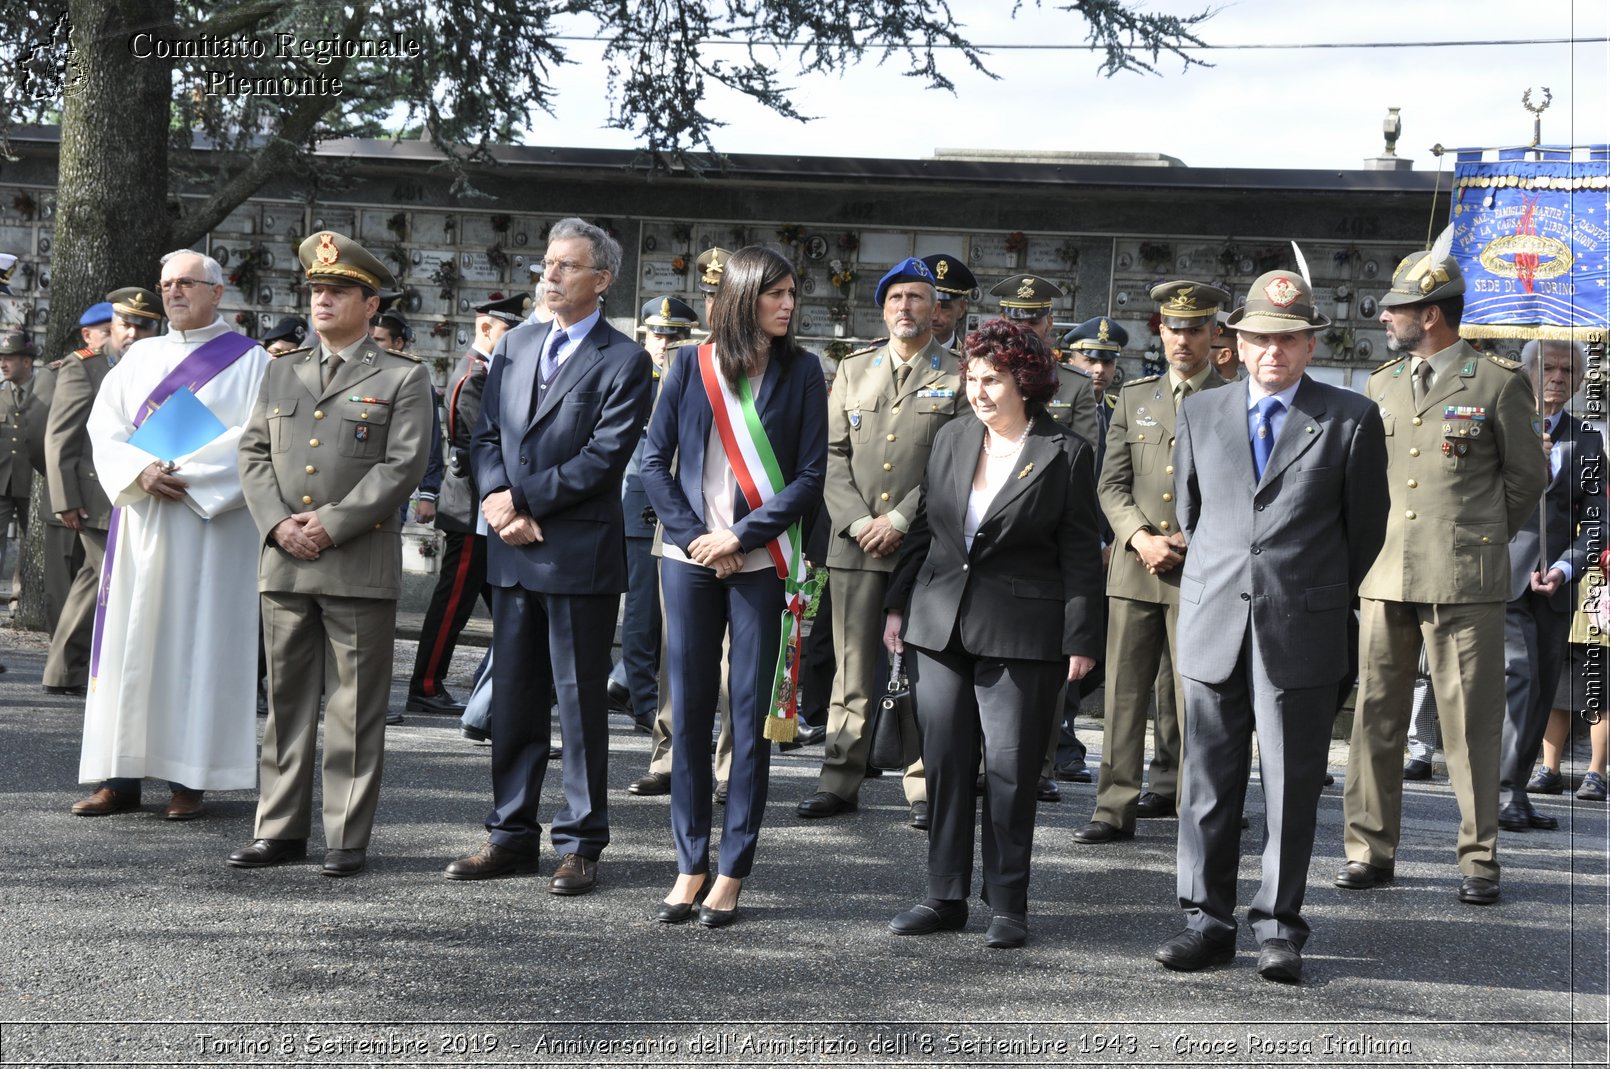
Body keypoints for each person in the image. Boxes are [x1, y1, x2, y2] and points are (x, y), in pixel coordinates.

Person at [1155, 269, 1388, 983]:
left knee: (1290, 785)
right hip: (1213, 616)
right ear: (1238, 342)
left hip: (1302, 623)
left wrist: (1307, 590)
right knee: (1207, 782)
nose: (1272, 353)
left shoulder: (1349, 417)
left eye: (1287, 340)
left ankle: (1280, 926)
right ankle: (1206, 921)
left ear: (1309, 343)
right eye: (1258, 338)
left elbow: (1365, 530)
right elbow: (1194, 516)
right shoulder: (1202, 412)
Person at [445, 217, 652, 894]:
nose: (551, 274)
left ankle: (581, 840)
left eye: (567, 265)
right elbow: (484, 437)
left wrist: (521, 502)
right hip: (511, 547)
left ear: (602, 279)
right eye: (548, 263)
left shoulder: (625, 360)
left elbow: (603, 457)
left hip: (575, 554)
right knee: (514, 698)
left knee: (577, 701)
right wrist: (498, 500)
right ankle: (509, 834)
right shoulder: (516, 344)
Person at [884, 318, 1103, 949]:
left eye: (993, 379)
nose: (979, 392)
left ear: (1025, 381)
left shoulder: (1064, 452)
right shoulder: (952, 437)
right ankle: (943, 895)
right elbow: (926, 528)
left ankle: (1008, 903)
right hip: (938, 623)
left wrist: (1081, 637)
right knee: (947, 764)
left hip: (1023, 632)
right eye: (972, 378)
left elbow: (1081, 552)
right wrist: (898, 607)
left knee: (1009, 769)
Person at [1339, 247, 1546, 905]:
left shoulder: (1497, 381)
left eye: (1398, 308)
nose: (1387, 317)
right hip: (1385, 573)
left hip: (1464, 577)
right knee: (1375, 716)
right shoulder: (1382, 382)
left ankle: (1479, 859)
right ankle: (1369, 849)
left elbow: (1526, 479)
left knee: (1469, 724)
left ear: (1429, 314)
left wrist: (1477, 538)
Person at [229, 232, 434, 876]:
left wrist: (331, 524)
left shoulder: (404, 376)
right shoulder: (281, 368)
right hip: (285, 559)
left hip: (355, 563)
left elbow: (403, 466)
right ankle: (278, 829)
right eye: (317, 290)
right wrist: (276, 524)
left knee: (351, 707)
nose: (322, 300)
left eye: (338, 291)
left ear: (370, 305)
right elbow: (253, 454)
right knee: (285, 702)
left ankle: (345, 837)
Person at [641, 245, 826, 927]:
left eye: (792, 294)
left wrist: (738, 537)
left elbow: (809, 476)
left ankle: (731, 869)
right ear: (746, 295)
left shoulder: (804, 370)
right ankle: (690, 861)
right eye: (776, 293)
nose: (787, 305)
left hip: (760, 561)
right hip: (687, 559)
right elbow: (654, 461)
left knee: (748, 719)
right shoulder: (690, 364)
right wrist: (696, 536)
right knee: (687, 711)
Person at [72, 250, 270, 820]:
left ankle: (191, 778)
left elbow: (254, 439)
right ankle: (120, 776)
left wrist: (184, 474)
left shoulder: (252, 361)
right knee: (131, 642)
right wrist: (141, 471)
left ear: (217, 291)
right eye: (167, 284)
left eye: (187, 282)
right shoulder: (136, 359)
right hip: (141, 519)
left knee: (198, 644)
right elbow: (103, 429)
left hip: (208, 523)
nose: (175, 292)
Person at [801, 257, 959, 828]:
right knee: (851, 670)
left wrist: (897, 520)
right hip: (854, 544)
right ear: (883, 308)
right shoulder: (853, 369)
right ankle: (839, 779)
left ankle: (922, 786)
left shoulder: (960, 375)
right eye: (896, 299)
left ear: (935, 308)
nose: (906, 309)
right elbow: (832, 455)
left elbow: (956, 463)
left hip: (927, 547)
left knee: (924, 673)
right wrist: (856, 521)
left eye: (917, 298)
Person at [1076, 281, 1231, 844]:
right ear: (1159, 331)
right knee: (1122, 694)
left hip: (1202, 571)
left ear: (1215, 335)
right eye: (1174, 328)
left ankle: (1198, 805)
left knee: (1198, 698)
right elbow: (1110, 485)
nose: (1183, 340)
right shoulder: (1134, 399)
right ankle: (1113, 806)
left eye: (1195, 329)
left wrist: (1197, 538)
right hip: (1136, 567)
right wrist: (1140, 537)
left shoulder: (1234, 398)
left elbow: (1240, 489)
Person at [1498, 339, 1602, 833]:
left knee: (1540, 691)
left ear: (1579, 381)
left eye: (1566, 370)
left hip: (1554, 585)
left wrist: (1565, 565)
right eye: (1547, 367)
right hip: (1499, 576)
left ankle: (1516, 791)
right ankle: (1495, 788)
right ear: (1528, 372)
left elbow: (1597, 521)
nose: (1556, 377)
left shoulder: (1588, 442)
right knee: (1517, 677)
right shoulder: (1501, 424)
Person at [407, 294, 528, 716]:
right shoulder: (474, 375)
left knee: (516, 607)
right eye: (508, 331)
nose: (514, 339)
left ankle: (506, 690)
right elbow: (479, 446)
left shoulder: (490, 371)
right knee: (452, 605)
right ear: (486, 328)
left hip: (483, 509)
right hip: (474, 508)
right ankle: (425, 683)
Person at [43, 288, 163, 695]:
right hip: (93, 497)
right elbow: (60, 437)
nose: (132, 333)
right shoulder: (86, 368)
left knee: (93, 579)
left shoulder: (156, 366)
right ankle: (71, 670)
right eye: (125, 324)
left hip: (131, 493)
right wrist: (66, 500)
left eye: (143, 326)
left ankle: (67, 670)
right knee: (103, 578)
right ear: (111, 326)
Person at [610, 295, 698, 733]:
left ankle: (628, 686)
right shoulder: (632, 374)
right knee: (643, 614)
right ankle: (643, 698)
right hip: (637, 506)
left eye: (675, 334)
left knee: (662, 614)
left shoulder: (690, 374)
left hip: (675, 507)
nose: (664, 343)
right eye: (657, 333)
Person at [1, 332, 48, 606]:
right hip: (1, 480)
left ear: (27, 361)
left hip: (32, 478)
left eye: (9, 358)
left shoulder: (46, 394)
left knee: (30, 543)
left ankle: (20, 595)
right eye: (1, 358)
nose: (3, 363)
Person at [922, 254, 976, 352]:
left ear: (961, 309)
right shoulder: (893, 354)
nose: (934, 315)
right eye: (929, 304)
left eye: (944, 306)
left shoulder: (970, 362)